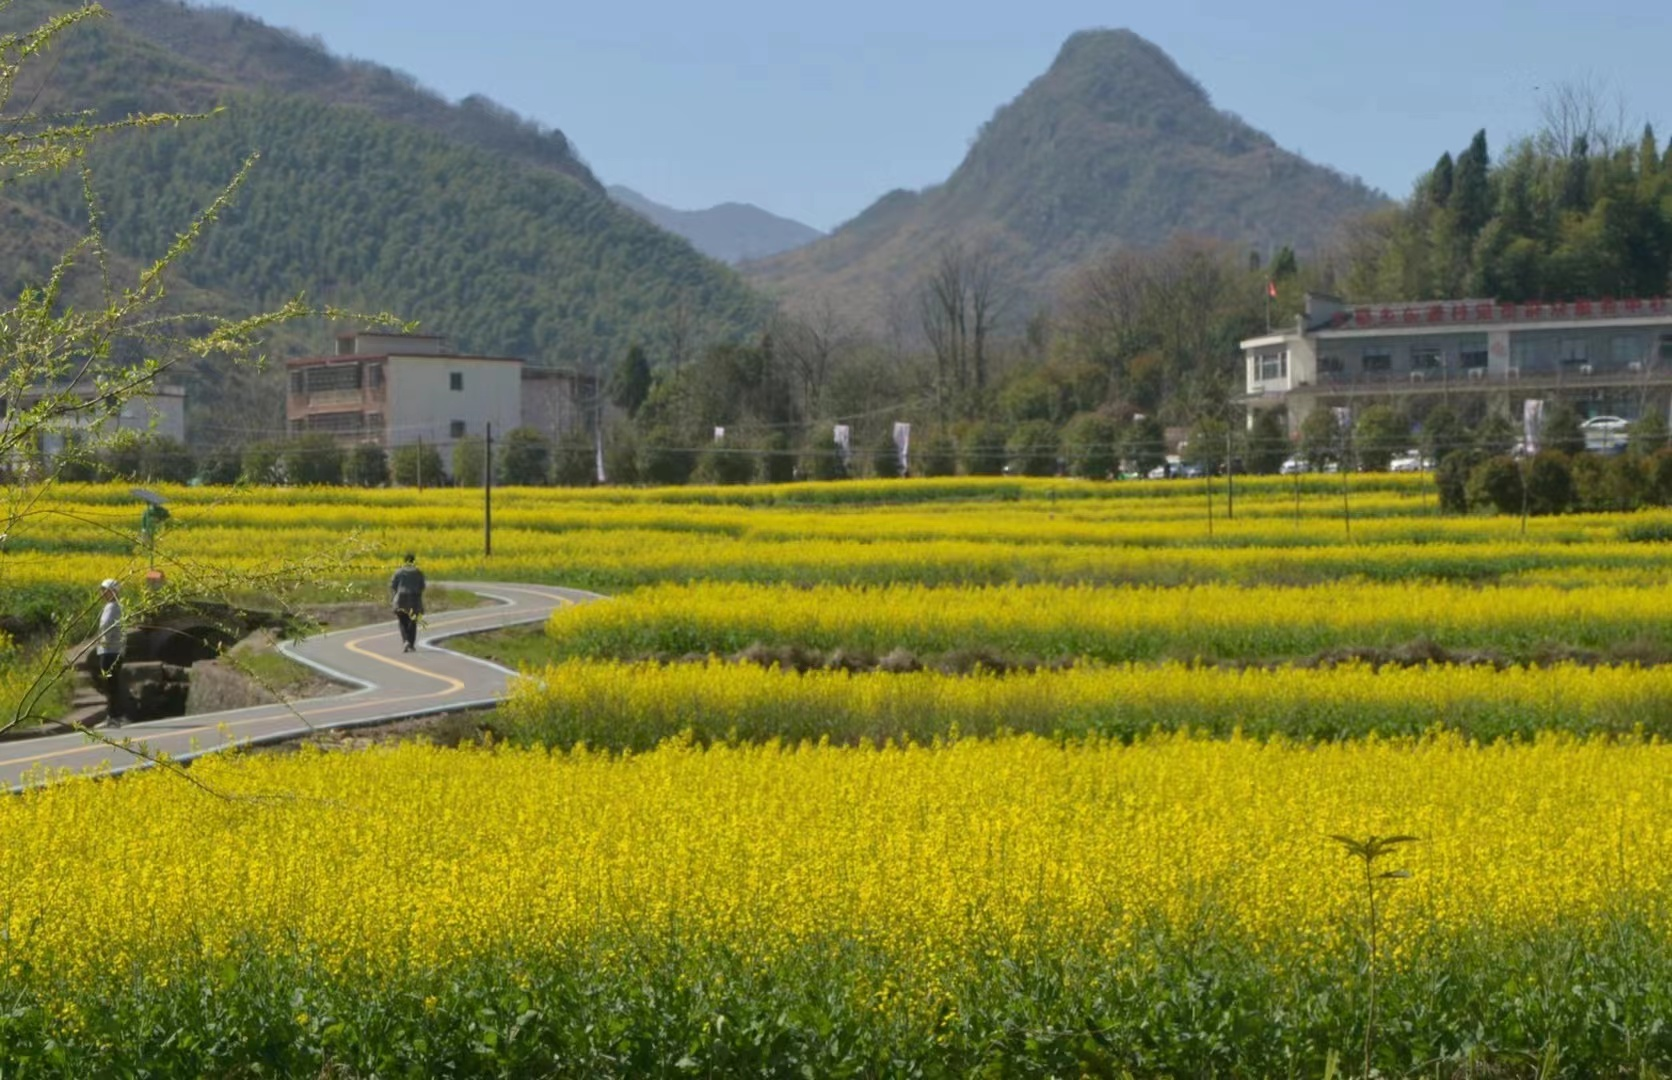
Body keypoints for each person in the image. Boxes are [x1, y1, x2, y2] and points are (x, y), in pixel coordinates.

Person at [92, 578, 126, 725]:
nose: (103, 593)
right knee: (111, 683)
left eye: (105, 590)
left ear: (113, 592)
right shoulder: (111, 606)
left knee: (110, 683)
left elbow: (108, 626)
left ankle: (113, 716)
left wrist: (102, 639)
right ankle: (115, 715)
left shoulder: (113, 606)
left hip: (110, 650)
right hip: (110, 649)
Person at [389, 552, 427, 652]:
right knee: (412, 620)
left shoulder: (399, 572)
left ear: (405, 561)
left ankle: (405, 640)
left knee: (402, 620)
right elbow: (422, 586)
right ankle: (410, 643)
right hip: (414, 597)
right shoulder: (418, 572)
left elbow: (393, 585)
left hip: (401, 597)